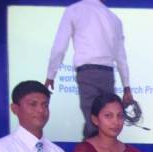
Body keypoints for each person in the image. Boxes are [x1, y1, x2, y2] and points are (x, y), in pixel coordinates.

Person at [45, 0, 134, 138]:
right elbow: (121, 56)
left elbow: (59, 47)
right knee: (104, 123)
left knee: (94, 123)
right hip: (108, 74)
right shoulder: (113, 18)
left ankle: (90, 149)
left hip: (87, 72)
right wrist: (126, 87)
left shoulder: (75, 10)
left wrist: (51, 74)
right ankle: (91, 148)